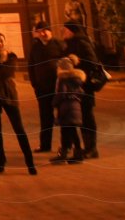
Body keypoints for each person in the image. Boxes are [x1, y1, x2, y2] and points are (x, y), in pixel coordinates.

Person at [0, 33, 37, 176]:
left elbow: (5, 73)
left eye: (1, 41)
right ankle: (1, 161)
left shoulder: (12, 57)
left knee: (19, 128)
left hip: (9, 96)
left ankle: (29, 162)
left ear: (5, 42)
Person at [62, 22, 100, 158]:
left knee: (87, 117)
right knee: (82, 117)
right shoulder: (71, 43)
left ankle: (92, 148)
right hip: (76, 87)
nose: (63, 33)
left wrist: (77, 62)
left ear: (72, 31)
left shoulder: (81, 42)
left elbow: (92, 62)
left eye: (65, 30)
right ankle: (86, 147)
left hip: (85, 87)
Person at [27, 20, 65, 153]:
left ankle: (66, 145)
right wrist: (35, 84)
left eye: (45, 30)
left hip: (59, 87)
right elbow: (31, 67)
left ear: (50, 31)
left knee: (64, 116)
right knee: (45, 117)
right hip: (42, 89)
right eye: (40, 31)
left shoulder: (59, 45)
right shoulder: (35, 47)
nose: (43, 33)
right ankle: (45, 145)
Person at [50, 55, 86, 164]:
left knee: (66, 132)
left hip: (66, 109)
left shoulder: (63, 79)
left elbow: (61, 94)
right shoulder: (76, 79)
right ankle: (76, 154)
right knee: (72, 132)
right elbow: (81, 93)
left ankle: (66, 154)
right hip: (75, 108)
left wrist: (54, 103)